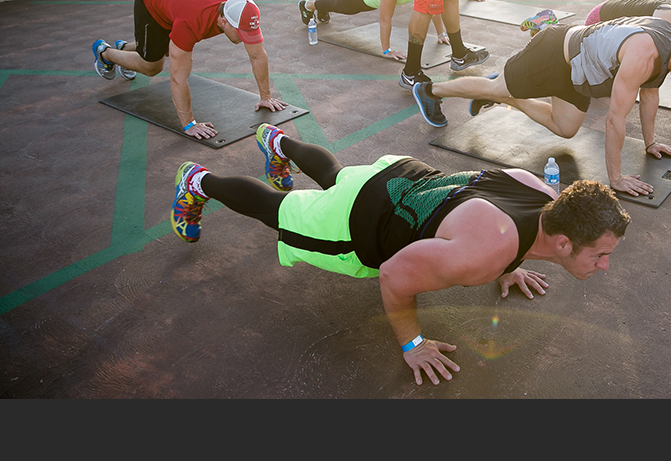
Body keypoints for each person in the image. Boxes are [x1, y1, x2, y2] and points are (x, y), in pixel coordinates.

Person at [170, 123, 631, 386]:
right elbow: (393, 275)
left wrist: (511, 266)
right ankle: (198, 181)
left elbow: (502, 221)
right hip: (360, 222)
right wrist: (413, 343)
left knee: (336, 173)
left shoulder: (538, 192)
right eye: (601, 255)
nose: (605, 265)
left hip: (401, 177)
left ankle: (278, 142)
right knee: (277, 208)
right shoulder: (482, 256)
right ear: (566, 242)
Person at [411, 16, 671, 197]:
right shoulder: (643, 55)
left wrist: (651, 143)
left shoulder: (669, 44)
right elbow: (614, 119)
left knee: (565, 128)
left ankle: (503, 95)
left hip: (577, 74)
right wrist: (617, 177)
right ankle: (431, 89)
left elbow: (650, 96)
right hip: (554, 53)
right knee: (497, 87)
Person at [91, 0, 287, 139]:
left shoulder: (243, 9)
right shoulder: (190, 23)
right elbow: (178, 78)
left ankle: (128, 47)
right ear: (224, 21)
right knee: (152, 66)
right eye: (241, 33)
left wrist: (266, 97)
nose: (245, 38)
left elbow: (258, 56)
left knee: (167, 49)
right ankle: (106, 53)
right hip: (153, 0)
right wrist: (189, 124)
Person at [297, 0, 484, 62]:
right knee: (340, 6)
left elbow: (433, 8)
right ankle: (308, 5)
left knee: (338, 2)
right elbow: (385, 19)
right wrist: (386, 50)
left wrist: (441, 34)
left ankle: (322, 3)